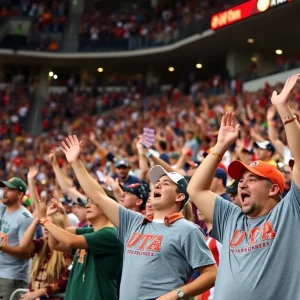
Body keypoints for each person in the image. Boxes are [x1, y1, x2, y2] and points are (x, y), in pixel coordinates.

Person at [60, 135, 217, 300]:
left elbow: (211, 273)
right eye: (157, 183)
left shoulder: (188, 230)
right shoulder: (134, 222)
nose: (157, 185)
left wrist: (176, 294)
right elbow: (99, 196)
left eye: (165, 184)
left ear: (179, 197)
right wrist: (76, 163)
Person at [187, 74, 300, 300]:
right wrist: (219, 146)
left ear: (274, 189)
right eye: (241, 179)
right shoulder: (231, 217)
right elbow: (195, 190)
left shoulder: (290, 211)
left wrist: (284, 111)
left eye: (252, 179)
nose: (242, 183)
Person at [36, 193, 123, 300]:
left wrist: (44, 220)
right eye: (87, 202)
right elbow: (55, 243)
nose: (87, 205)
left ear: (107, 206)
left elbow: (70, 241)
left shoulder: (110, 234)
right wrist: (54, 217)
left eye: (92, 202)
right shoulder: (91, 231)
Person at [19, 211, 72, 300]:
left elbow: (64, 280)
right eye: (43, 224)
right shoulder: (41, 243)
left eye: (50, 224)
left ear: (59, 227)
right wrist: (37, 219)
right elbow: (23, 245)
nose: (45, 228)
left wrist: (39, 293)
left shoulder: (67, 249)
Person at [0, 177, 33, 300]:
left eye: (10, 189)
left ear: (19, 194)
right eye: (5, 188)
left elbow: (27, 253)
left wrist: (1, 246)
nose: (5, 191)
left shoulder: (25, 218)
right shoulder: (2, 209)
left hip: (11, 278)